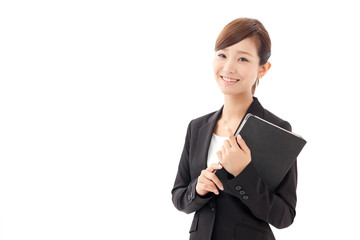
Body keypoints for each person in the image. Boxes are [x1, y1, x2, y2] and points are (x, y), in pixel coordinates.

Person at [171, 18, 297, 240]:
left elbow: (284, 216)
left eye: (242, 58)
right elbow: (179, 197)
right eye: (222, 54)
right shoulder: (197, 127)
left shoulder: (277, 130)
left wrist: (244, 172)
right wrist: (198, 188)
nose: (228, 67)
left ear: (263, 69)